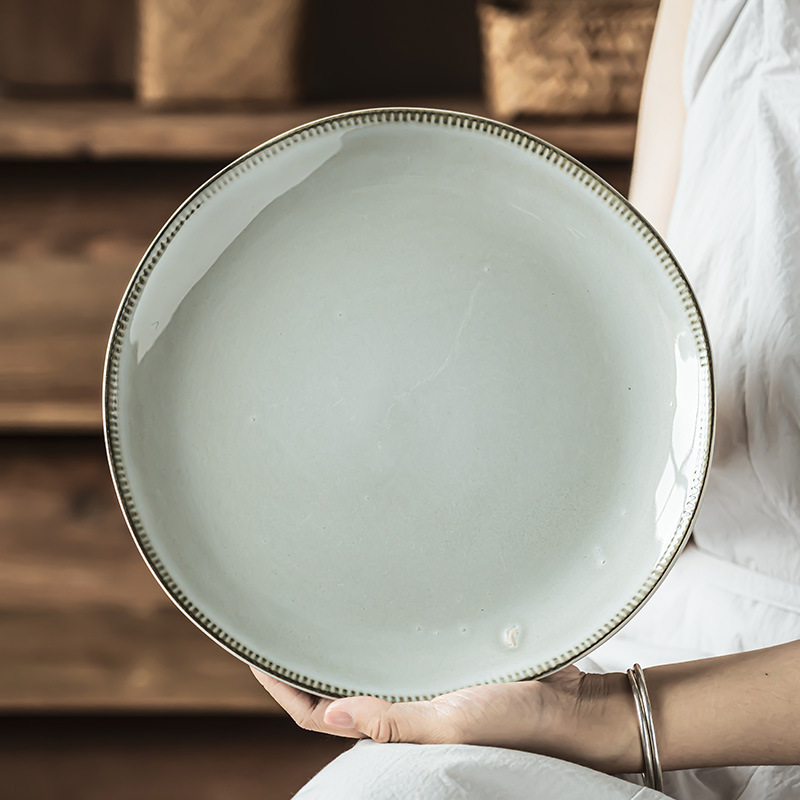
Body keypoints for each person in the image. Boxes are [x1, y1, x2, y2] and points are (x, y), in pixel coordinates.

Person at [252, 0, 800, 797]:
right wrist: (326, 579)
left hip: (688, 707)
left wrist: (612, 719)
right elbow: (645, 365)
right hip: (683, 641)